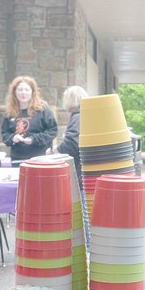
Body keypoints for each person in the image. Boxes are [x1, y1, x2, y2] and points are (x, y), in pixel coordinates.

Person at [49, 85, 89, 244]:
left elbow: (72, 143)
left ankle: (86, 248)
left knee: (82, 213)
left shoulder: (77, 117)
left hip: (81, 172)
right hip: (89, 170)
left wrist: (56, 150)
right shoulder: (87, 115)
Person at [1, 75, 58, 164]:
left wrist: (34, 139)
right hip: (17, 159)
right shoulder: (9, 112)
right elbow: (5, 135)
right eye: (20, 90)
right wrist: (13, 138)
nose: (23, 93)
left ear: (32, 92)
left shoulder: (42, 109)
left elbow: (52, 131)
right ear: (14, 92)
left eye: (27, 90)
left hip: (40, 158)